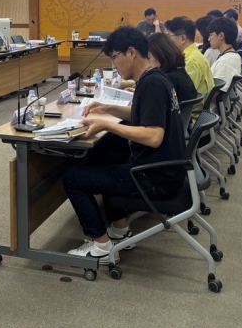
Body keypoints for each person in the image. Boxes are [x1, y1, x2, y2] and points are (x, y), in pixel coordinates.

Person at [62, 26, 185, 260]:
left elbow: (154, 136)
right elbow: (141, 114)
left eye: (114, 57)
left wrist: (108, 125)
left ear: (131, 52)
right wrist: (107, 108)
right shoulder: (155, 78)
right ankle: (119, 230)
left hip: (154, 177)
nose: (113, 65)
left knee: (72, 177)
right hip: (163, 169)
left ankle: (101, 246)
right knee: (104, 153)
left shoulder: (151, 84)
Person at [165, 16, 214, 125]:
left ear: (182, 38)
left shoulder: (190, 61)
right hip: (193, 115)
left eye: (169, 36)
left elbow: (182, 96)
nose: (166, 41)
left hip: (189, 119)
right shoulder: (193, 54)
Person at [147, 33, 198, 108]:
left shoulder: (164, 80)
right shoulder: (180, 73)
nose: (148, 63)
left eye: (149, 57)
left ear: (160, 55)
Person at [208, 17, 242, 87]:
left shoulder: (226, 62)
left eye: (211, 35)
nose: (209, 39)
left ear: (221, 36)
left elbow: (217, 91)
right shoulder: (230, 56)